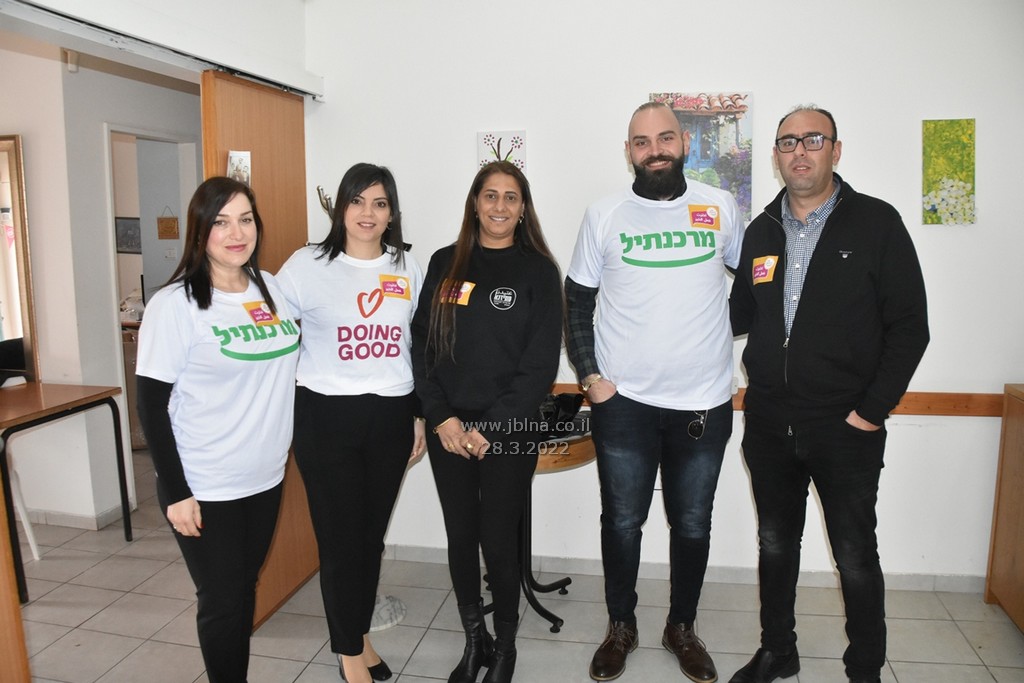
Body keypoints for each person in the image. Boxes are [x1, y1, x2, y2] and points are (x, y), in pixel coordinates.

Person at [728, 106, 929, 683]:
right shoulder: (761, 230)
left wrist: (870, 412)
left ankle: (864, 667)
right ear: (775, 155)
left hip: (845, 426)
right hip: (769, 422)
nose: (800, 151)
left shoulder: (876, 223)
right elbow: (739, 316)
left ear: (835, 151)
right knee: (774, 545)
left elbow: (910, 327)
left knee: (855, 555)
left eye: (813, 140)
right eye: (788, 141)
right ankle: (778, 651)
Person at [565, 101, 743, 683]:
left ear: (683, 143)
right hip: (625, 405)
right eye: (642, 142)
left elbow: (751, 288)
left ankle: (681, 627)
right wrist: (591, 378)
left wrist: (722, 341)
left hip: (704, 402)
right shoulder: (604, 214)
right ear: (629, 152)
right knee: (622, 522)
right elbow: (576, 301)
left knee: (692, 524)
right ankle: (622, 626)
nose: (655, 150)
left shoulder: (720, 207)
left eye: (665, 138)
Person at [135, 177, 300, 683]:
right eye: (222, 222)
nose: (237, 233)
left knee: (243, 589)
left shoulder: (272, 289)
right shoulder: (176, 304)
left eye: (245, 219)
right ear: (200, 230)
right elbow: (150, 405)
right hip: (205, 482)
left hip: (265, 477)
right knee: (223, 601)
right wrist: (177, 492)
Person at [411, 161, 563, 683]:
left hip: (510, 429)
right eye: (490, 195)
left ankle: (506, 649)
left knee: (498, 539)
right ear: (475, 203)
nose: (500, 206)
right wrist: (442, 418)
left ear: (523, 209)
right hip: (449, 429)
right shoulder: (444, 262)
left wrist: (490, 429)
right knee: (461, 535)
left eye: (511, 197)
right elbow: (422, 346)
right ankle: (475, 641)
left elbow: (539, 366)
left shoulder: (539, 271)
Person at [276, 163, 426, 683]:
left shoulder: (406, 266)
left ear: (392, 214)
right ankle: (347, 653)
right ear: (340, 207)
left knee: (370, 539)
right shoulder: (307, 264)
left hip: (390, 415)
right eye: (357, 201)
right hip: (326, 416)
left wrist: (419, 416)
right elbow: (271, 330)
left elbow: (417, 346)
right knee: (340, 541)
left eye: (379, 203)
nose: (368, 213)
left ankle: (358, 637)